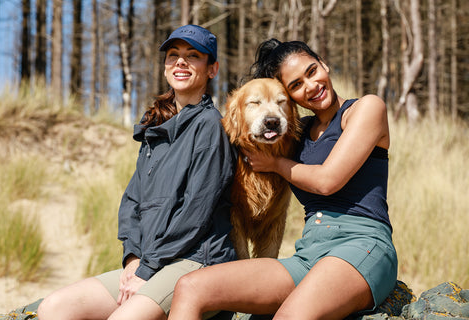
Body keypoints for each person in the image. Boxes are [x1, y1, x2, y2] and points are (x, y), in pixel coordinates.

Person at [167, 39, 398, 320]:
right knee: (190, 287)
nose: (311, 86)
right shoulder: (296, 133)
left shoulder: (365, 109)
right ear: (292, 98)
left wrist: (275, 164)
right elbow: (241, 130)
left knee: (287, 316)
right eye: (296, 85)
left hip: (362, 245)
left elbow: (327, 180)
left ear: (324, 64)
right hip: (309, 252)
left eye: (312, 71)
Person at [37, 25, 237, 320]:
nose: (180, 62)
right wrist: (132, 258)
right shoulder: (156, 130)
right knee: (54, 308)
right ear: (166, 66)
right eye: (173, 55)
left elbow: (195, 213)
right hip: (150, 261)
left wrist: (146, 269)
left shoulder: (210, 125)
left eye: (193, 56)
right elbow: (132, 201)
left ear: (212, 69)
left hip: (196, 260)